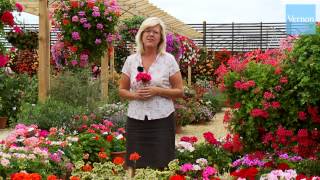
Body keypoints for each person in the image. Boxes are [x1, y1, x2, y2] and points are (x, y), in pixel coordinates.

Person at [119, 17, 184, 169]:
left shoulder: (169, 60)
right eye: (147, 31)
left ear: (160, 38)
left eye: (155, 32)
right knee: (135, 162)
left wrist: (157, 90)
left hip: (162, 119)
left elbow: (180, 91)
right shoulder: (131, 61)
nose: (151, 34)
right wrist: (135, 95)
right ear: (141, 35)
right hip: (136, 120)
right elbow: (122, 90)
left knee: (162, 161)